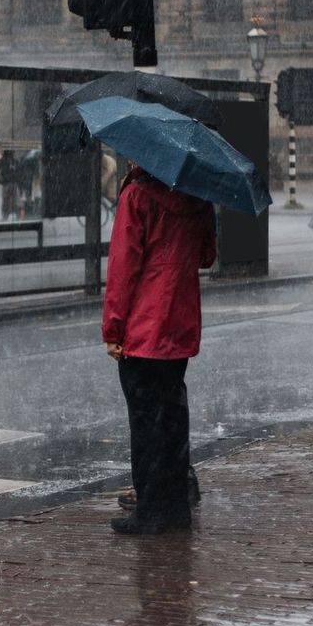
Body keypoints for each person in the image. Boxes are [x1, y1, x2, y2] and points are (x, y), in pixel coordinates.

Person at [103, 164, 217, 535]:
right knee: (172, 419)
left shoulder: (136, 196)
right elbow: (207, 256)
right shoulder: (198, 197)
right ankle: (175, 508)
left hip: (143, 328)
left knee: (145, 423)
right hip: (179, 325)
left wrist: (113, 329)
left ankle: (150, 511)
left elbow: (123, 269)